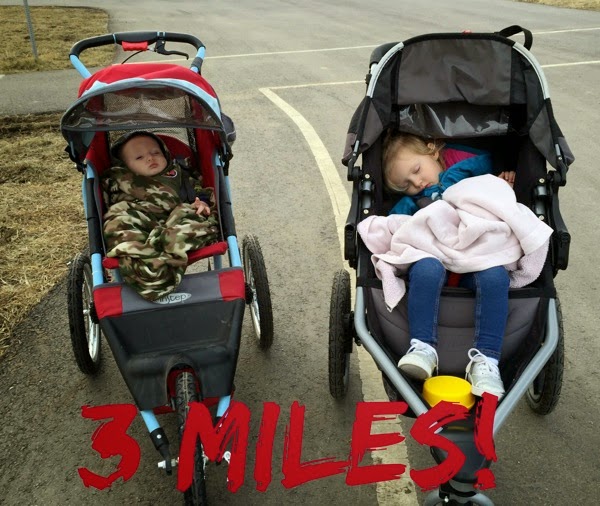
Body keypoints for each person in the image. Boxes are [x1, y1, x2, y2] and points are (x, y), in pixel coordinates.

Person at [383, 131, 517, 399]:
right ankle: (423, 347)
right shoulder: (411, 202)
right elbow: (394, 228)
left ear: (433, 151)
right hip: (434, 257)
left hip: (476, 256)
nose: (417, 183)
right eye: (406, 184)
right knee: (426, 269)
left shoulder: (470, 170)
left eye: (417, 171)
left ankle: (487, 360)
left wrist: (502, 185)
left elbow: (493, 192)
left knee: (495, 277)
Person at [102, 131, 219, 301]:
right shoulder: (119, 180)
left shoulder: (180, 172)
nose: (150, 158)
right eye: (139, 157)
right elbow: (113, 206)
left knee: (193, 219)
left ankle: (161, 253)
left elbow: (201, 192)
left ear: (165, 153)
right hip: (140, 217)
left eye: (156, 152)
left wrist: (202, 203)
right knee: (119, 221)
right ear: (125, 166)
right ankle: (146, 266)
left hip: (178, 218)